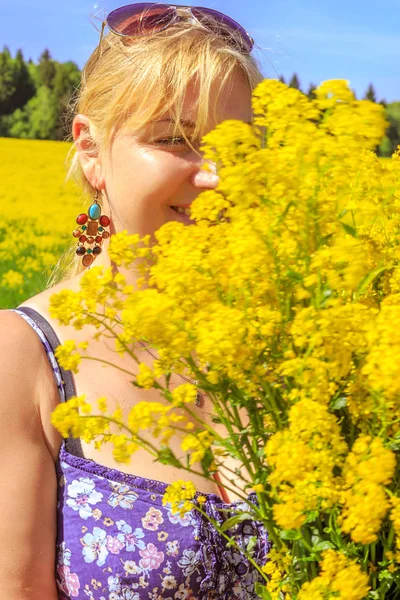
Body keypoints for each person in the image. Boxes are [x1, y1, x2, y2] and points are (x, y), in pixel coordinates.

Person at [0, 4, 269, 599]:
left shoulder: (278, 349)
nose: (218, 176)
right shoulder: (22, 358)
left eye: (239, 146)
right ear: (92, 153)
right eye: (175, 139)